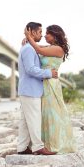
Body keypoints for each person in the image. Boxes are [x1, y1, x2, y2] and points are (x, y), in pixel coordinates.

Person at [24, 24, 76, 154]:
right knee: (43, 114)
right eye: (44, 33)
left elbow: (39, 50)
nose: (45, 36)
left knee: (52, 114)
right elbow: (37, 48)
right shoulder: (50, 47)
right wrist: (27, 41)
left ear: (55, 35)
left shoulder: (59, 49)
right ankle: (42, 144)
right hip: (43, 83)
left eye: (48, 33)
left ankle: (53, 144)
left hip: (51, 85)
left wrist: (28, 36)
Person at [17, 22, 58, 155]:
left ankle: (22, 148)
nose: (41, 35)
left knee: (24, 121)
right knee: (34, 119)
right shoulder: (28, 49)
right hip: (30, 90)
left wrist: (27, 38)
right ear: (33, 32)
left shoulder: (28, 47)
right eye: (40, 32)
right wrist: (48, 74)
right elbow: (30, 69)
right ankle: (38, 146)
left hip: (27, 90)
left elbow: (44, 49)